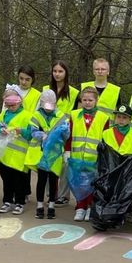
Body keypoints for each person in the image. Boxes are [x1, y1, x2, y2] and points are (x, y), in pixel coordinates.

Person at [27, 89, 71, 219]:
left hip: (55, 154)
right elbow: (33, 131)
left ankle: (51, 205)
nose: (48, 108)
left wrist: (64, 131)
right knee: (41, 180)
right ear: (41, 103)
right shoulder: (36, 116)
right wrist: (43, 135)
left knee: (53, 180)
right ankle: (40, 206)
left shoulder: (61, 116)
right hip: (41, 153)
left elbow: (66, 135)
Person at [70, 86, 110, 221]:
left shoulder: (103, 117)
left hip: (94, 158)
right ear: (81, 100)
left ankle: (90, 208)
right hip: (77, 157)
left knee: (92, 184)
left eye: (90, 100)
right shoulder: (74, 115)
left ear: (96, 101)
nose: (87, 102)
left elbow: (105, 139)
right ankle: (80, 207)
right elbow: (69, 135)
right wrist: (67, 151)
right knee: (79, 183)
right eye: (85, 100)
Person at [0, 85, 33, 215]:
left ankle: (20, 202)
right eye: (8, 105)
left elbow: (32, 133)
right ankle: (7, 201)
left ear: (19, 102)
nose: (10, 108)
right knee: (6, 180)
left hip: (20, 156)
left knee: (20, 181)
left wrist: (22, 131)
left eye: (12, 105)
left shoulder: (27, 115)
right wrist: (0, 130)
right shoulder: (4, 114)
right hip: (5, 154)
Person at [46, 61, 80, 207]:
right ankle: (50, 194)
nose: (57, 74)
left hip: (66, 134)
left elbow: (76, 114)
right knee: (49, 162)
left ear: (66, 73)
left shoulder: (74, 93)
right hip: (49, 133)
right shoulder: (46, 90)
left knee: (65, 165)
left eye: (60, 71)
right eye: (55, 71)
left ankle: (63, 195)